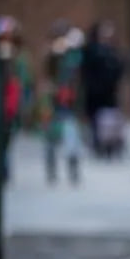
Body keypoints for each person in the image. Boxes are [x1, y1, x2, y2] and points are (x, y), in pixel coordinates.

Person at [0, 16, 36, 181]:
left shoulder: (20, 58)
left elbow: (25, 83)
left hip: (12, 106)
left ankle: (3, 170)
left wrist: (25, 107)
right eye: (3, 37)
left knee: (7, 138)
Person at [43, 20, 83, 185]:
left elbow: (78, 71)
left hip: (69, 102)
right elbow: (48, 74)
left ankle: (73, 170)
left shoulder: (74, 54)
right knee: (51, 137)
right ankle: (51, 169)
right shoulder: (51, 54)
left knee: (72, 136)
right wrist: (55, 54)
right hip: (53, 101)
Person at [83, 19, 125, 158]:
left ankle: (110, 145)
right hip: (95, 91)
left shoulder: (113, 51)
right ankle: (98, 144)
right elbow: (86, 70)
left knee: (110, 119)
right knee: (96, 120)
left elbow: (120, 69)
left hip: (109, 91)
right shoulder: (92, 50)